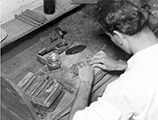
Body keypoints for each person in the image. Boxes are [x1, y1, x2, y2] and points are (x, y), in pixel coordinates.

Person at [69, 0, 158, 120]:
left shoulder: (126, 89)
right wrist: (121, 65)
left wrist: (85, 83)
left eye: (110, 37)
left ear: (118, 36)